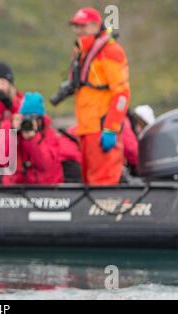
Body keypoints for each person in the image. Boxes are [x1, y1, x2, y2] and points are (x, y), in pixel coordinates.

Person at [60, 7, 131, 185]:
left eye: (83, 26)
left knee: (103, 184)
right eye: (76, 26)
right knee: (89, 183)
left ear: (96, 25)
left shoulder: (111, 51)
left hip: (101, 130)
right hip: (84, 131)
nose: (79, 30)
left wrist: (111, 128)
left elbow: (122, 94)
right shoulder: (80, 51)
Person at [1, 92, 63, 185]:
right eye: (26, 117)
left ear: (41, 119)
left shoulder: (49, 134)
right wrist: (12, 131)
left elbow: (45, 165)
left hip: (45, 186)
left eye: (34, 117)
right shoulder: (12, 131)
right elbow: (2, 160)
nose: (30, 121)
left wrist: (33, 139)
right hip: (17, 187)